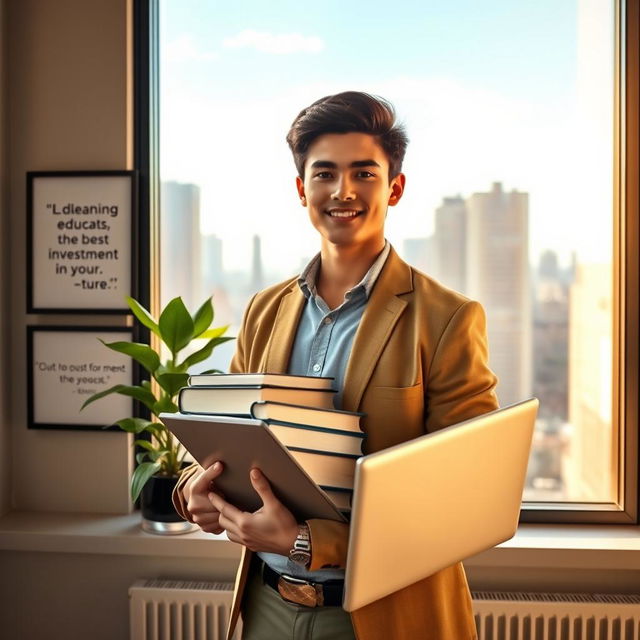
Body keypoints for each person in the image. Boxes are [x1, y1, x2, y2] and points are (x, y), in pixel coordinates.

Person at [173, 91, 498, 640]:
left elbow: (458, 506)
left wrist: (304, 541)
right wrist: (194, 492)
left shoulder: (447, 319)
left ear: (394, 188)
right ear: (302, 189)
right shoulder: (263, 311)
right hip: (266, 607)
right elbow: (222, 438)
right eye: (324, 173)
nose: (342, 191)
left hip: (383, 614)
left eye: (363, 173)